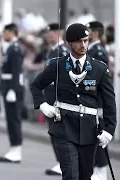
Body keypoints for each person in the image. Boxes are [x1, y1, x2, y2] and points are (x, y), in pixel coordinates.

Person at [30, 23, 116, 180]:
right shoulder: (57, 65)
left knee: (85, 176)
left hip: (89, 130)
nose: (83, 45)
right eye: (79, 41)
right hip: (64, 128)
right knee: (70, 175)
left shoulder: (99, 69)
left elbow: (110, 102)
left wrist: (109, 130)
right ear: (69, 43)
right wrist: (43, 105)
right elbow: (36, 86)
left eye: (85, 40)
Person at [43, 23, 69, 176]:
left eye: (51, 32)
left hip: (58, 97)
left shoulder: (62, 51)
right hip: (50, 96)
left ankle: (64, 162)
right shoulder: (52, 51)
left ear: (58, 33)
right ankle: (60, 161)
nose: (48, 35)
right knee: (54, 131)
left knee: (60, 132)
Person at [0, 23, 24, 163]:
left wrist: (13, 89)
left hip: (13, 88)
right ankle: (13, 148)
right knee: (10, 119)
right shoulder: (9, 48)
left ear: (11, 32)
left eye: (4, 32)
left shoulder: (15, 48)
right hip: (8, 86)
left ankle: (16, 149)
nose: (3, 34)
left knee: (14, 120)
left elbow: (16, 71)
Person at [86, 21, 109, 180]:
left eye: (87, 32)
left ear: (94, 33)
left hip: (97, 99)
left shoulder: (98, 51)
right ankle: (96, 167)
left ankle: (101, 170)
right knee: (91, 134)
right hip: (90, 98)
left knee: (99, 134)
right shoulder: (91, 49)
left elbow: (98, 79)